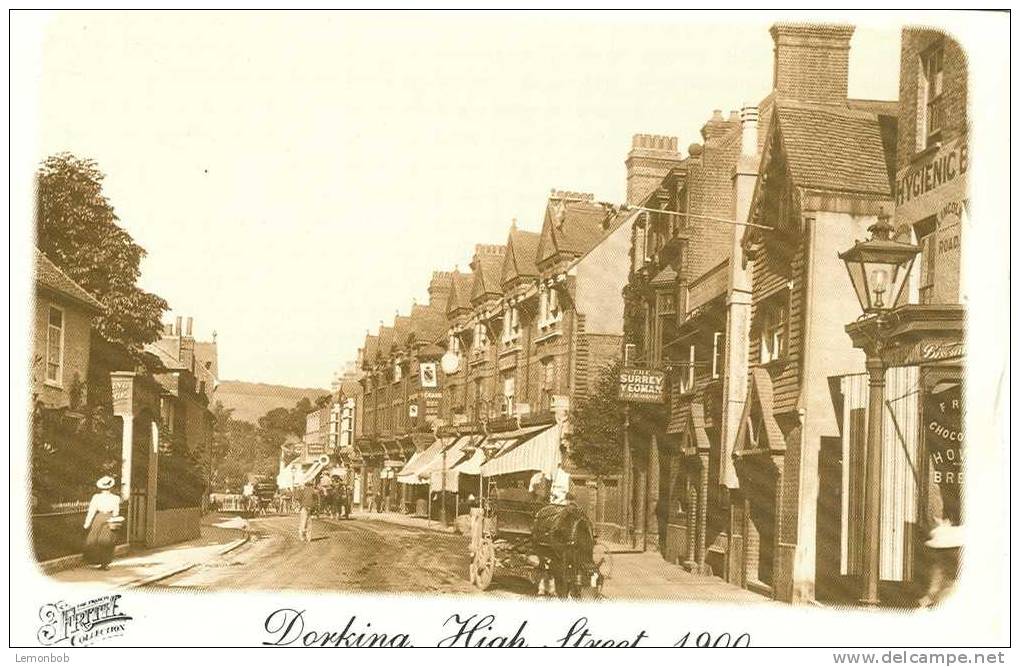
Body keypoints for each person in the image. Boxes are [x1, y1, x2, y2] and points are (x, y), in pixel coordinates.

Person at [83, 476, 121, 570]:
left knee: (95, 540)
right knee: (107, 541)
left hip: (99, 518)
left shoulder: (96, 497)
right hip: (109, 518)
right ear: (111, 487)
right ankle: (105, 563)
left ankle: (98, 561)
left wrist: (87, 524)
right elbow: (116, 512)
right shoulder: (115, 498)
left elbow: (91, 511)